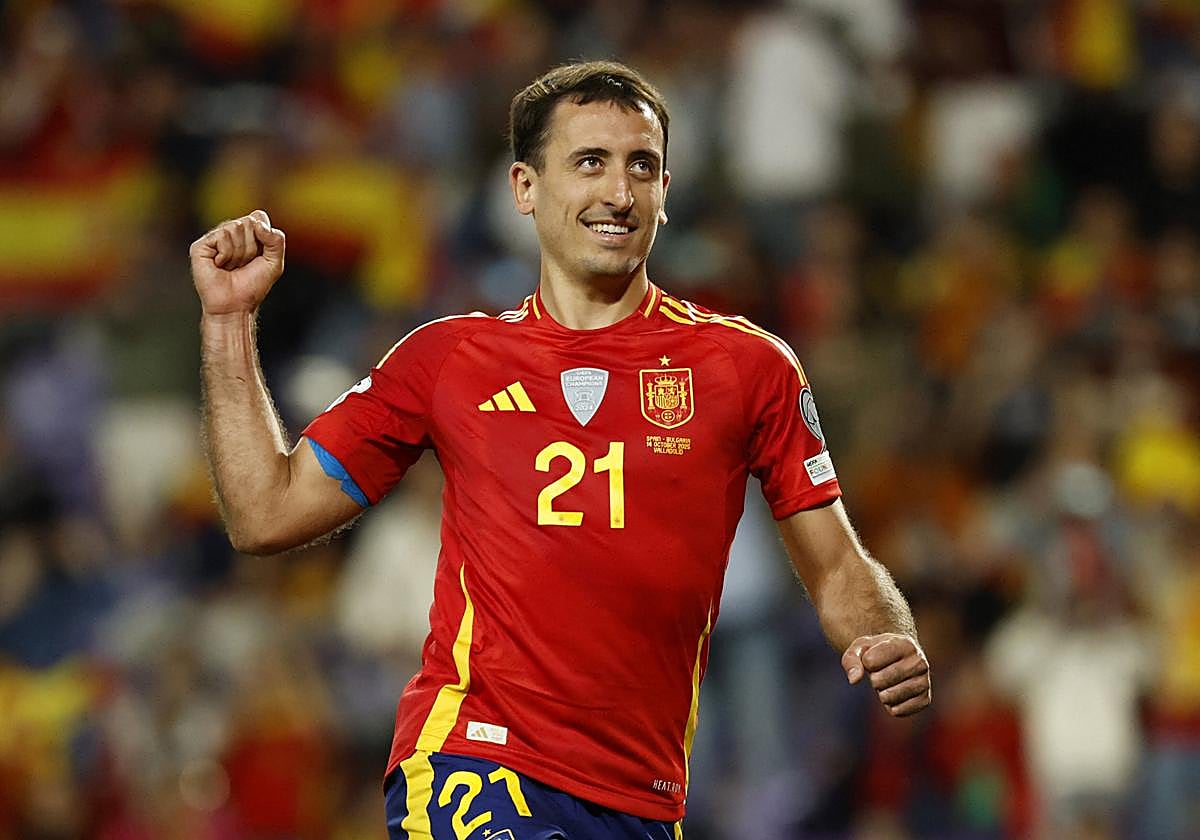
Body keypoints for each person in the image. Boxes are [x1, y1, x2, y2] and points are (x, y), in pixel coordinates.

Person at [190, 60, 931, 840]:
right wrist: (228, 321)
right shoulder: (447, 360)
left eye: (640, 166)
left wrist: (884, 633)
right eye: (589, 162)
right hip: (473, 765)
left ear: (665, 192)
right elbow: (264, 513)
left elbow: (838, 562)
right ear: (525, 189)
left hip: (642, 801)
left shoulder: (746, 368)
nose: (618, 192)